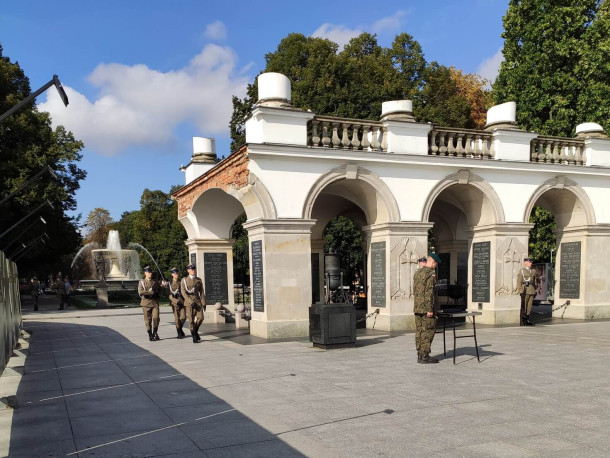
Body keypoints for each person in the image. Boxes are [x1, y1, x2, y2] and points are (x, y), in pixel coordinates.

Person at [413, 253, 442, 364]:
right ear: (433, 262)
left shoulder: (417, 273)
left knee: (419, 331)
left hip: (417, 307)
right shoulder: (431, 274)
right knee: (428, 331)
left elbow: (415, 290)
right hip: (426, 308)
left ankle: (420, 354)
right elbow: (429, 292)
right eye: (436, 264)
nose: (436, 266)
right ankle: (425, 355)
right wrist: (429, 309)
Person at [181, 264, 206, 343]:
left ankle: (195, 330)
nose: (193, 271)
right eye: (191, 269)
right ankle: (193, 335)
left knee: (201, 318)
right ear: (188, 270)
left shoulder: (198, 280)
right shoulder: (184, 280)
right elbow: (184, 293)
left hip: (198, 302)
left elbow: (201, 292)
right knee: (191, 320)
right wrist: (191, 302)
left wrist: (204, 303)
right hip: (189, 302)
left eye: (194, 269)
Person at [138, 266, 162, 341]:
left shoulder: (155, 282)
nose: (150, 273)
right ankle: (150, 334)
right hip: (146, 303)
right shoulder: (142, 282)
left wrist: (161, 290)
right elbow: (141, 292)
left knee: (156, 318)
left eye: (151, 272)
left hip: (154, 302)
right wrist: (151, 292)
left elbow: (160, 291)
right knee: (148, 319)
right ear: (145, 273)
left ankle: (155, 332)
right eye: (148, 272)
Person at [517, 257, 539, 326]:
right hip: (525, 290)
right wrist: (520, 291)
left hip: (531, 290)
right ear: (525, 263)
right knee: (524, 306)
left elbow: (535, 281)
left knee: (529, 306)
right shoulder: (522, 271)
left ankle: (527, 319)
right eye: (529, 262)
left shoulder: (533, 271)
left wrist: (535, 289)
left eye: (531, 262)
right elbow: (519, 282)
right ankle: (523, 320)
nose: (530, 263)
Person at [167, 267, 186, 339]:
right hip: (174, 302)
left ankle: (180, 329)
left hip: (182, 301)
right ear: (172, 274)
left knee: (183, 317)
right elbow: (168, 294)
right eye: (175, 273)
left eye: (177, 273)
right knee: (177, 318)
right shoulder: (169, 283)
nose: (176, 274)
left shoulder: (181, 282)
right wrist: (176, 301)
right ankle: (179, 332)